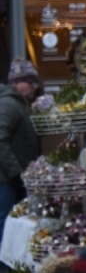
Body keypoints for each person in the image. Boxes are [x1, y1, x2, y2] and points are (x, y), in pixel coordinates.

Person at [0, 58, 42, 226]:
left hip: (11, 180)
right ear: (17, 83)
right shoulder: (9, 105)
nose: (34, 86)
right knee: (6, 221)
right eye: (30, 82)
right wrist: (16, 172)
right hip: (5, 181)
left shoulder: (20, 105)